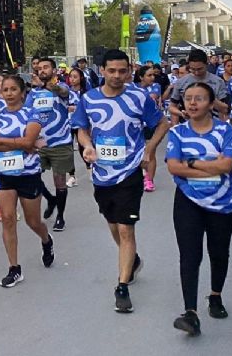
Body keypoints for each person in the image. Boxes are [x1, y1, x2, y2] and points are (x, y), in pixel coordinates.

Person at [73, 49, 171, 313]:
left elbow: (162, 123)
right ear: (102, 70)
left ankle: (122, 286)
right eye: (112, 71)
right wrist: (87, 145)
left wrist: (149, 150)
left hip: (130, 172)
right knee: (114, 225)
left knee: (127, 230)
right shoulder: (89, 99)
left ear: (129, 71)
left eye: (122, 71)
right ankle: (133, 260)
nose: (117, 76)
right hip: (102, 174)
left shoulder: (139, 97)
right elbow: (82, 129)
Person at [165, 82, 232, 336]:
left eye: (199, 98)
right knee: (189, 255)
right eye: (188, 99)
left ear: (211, 103)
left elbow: (227, 166)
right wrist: (210, 165)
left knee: (219, 253)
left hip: (224, 203)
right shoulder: (177, 133)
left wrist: (192, 162)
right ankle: (190, 313)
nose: (193, 103)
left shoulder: (225, 131)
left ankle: (215, 295)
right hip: (188, 201)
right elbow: (174, 168)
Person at [0, 74, 54, 288]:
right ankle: (14, 268)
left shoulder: (31, 114)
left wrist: (4, 141)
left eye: (13, 89)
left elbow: (28, 141)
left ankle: (46, 240)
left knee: (32, 221)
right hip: (4, 174)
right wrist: (18, 144)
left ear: (22, 92)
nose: (9, 94)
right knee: (7, 218)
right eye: (5, 90)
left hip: (28, 173)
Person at [26, 57, 73, 230]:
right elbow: (26, 113)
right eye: (39, 68)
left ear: (54, 71)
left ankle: (60, 216)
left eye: (46, 67)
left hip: (60, 142)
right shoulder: (34, 93)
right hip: (39, 144)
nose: (42, 70)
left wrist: (47, 85)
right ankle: (50, 199)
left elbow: (63, 92)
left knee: (59, 181)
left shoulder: (62, 87)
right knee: (32, 177)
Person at [169, 49, 230, 124]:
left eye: (200, 69)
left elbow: (225, 109)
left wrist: (209, 98)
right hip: (188, 126)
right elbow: (172, 107)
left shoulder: (218, 81)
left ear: (206, 64)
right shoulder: (181, 82)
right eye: (193, 69)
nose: (196, 72)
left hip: (213, 125)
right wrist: (181, 113)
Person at [134, 66, 163, 192]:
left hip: (150, 123)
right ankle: (138, 176)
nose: (152, 77)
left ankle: (149, 179)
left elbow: (152, 96)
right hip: (136, 125)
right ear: (141, 77)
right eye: (149, 75)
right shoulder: (133, 87)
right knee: (137, 152)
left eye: (153, 75)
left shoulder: (155, 86)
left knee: (150, 151)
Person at [66, 67, 91, 188]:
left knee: (83, 147)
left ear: (81, 78)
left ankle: (90, 168)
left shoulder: (86, 92)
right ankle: (72, 176)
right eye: (70, 77)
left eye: (75, 77)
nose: (72, 79)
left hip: (81, 123)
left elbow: (89, 107)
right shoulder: (66, 92)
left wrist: (75, 108)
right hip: (68, 123)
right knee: (68, 149)